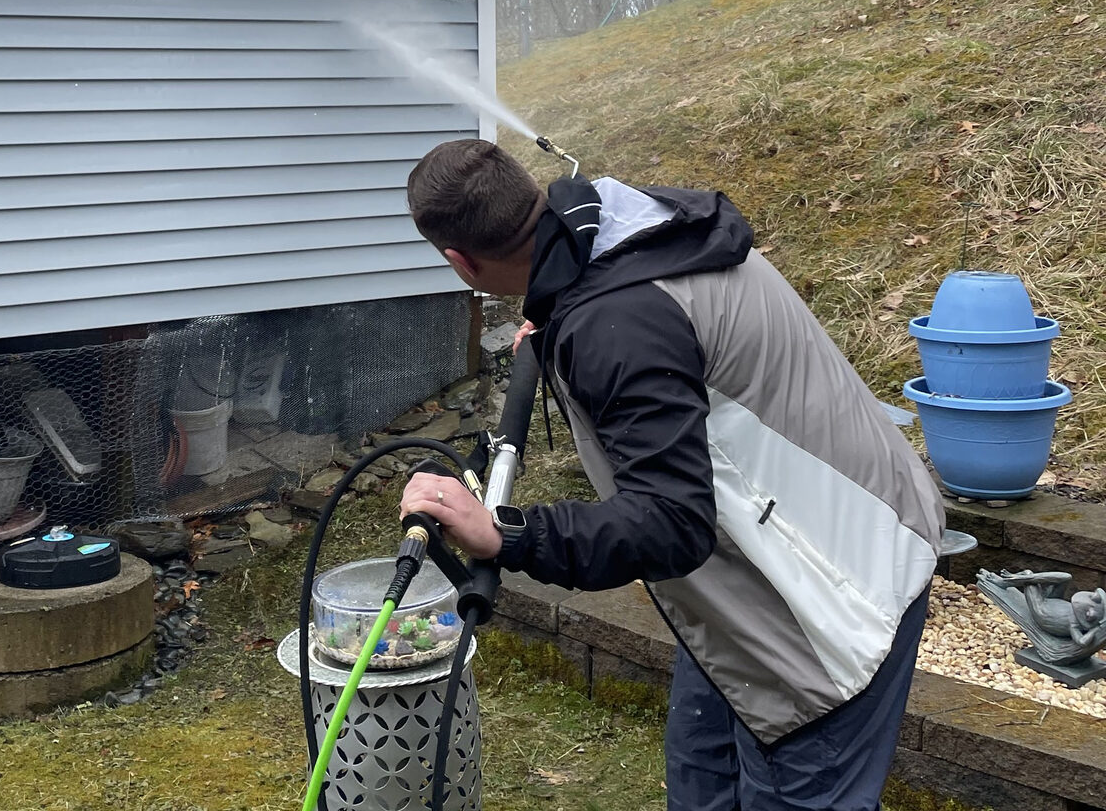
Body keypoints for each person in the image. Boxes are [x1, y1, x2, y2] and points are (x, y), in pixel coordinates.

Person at [397, 138, 943, 811]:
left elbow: (672, 522)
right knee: (701, 780)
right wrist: (556, 315)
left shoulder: (618, 324)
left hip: (829, 597)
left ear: (460, 262)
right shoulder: (623, 227)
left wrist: (505, 534)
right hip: (777, 564)